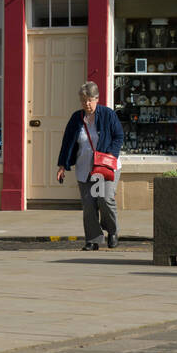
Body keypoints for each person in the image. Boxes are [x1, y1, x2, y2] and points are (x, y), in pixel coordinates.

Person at [57, 82, 124, 249]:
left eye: (90, 100)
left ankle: (112, 231)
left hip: (105, 167)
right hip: (85, 167)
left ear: (97, 99)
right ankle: (93, 240)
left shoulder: (108, 115)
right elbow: (67, 143)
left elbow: (119, 136)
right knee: (89, 205)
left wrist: (110, 156)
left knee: (105, 199)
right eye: (83, 100)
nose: (86, 104)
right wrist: (62, 166)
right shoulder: (76, 118)